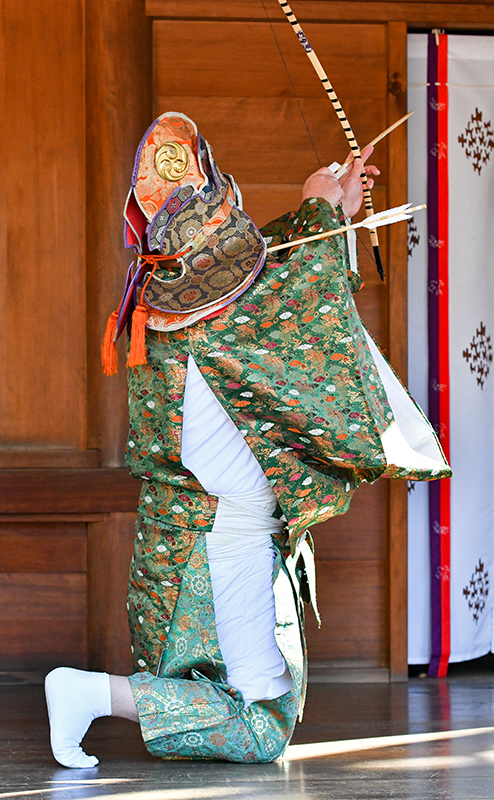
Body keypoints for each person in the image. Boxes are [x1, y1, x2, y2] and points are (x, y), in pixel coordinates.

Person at [45, 113, 450, 768]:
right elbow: (293, 302)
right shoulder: (216, 331)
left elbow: (282, 287)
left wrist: (329, 211)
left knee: (257, 714)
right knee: (258, 727)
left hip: (209, 544)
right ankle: (88, 693)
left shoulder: (178, 315)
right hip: (214, 551)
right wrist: (321, 208)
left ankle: (93, 695)